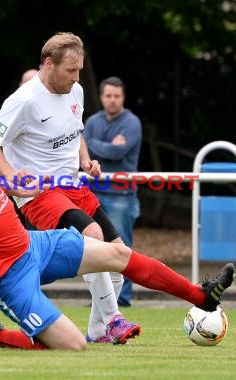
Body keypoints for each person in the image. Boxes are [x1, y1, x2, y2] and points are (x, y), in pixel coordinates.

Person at [0, 113, 235, 350]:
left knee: (118, 253)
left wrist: (18, 182)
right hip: (5, 276)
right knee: (73, 345)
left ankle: (202, 296)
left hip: (35, 245)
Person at [0, 32, 138, 343]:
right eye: (70, 70)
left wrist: (86, 160)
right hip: (40, 193)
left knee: (119, 258)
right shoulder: (23, 100)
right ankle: (115, 319)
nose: (76, 77)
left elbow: (74, 132)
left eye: (79, 70)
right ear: (49, 64)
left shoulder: (75, 90)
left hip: (72, 185)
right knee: (93, 237)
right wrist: (12, 177)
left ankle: (97, 329)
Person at [83, 76, 142, 307]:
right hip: (94, 193)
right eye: (108, 96)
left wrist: (93, 144)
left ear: (123, 97)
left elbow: (118, 153)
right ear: (101, 97)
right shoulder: (93, 121)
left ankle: (123, 298)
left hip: (121, 194)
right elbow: (84, 150)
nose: (112, 100)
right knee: (95, 246)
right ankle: (102, 298)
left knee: (121, 246)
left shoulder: (132, 122)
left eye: (117, 96)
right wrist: (106, 145)